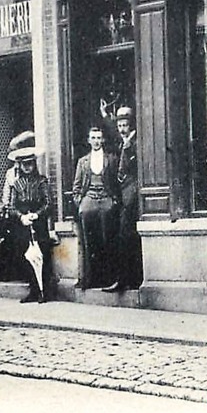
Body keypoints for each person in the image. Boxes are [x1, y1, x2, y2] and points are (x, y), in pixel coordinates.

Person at [4, 131, 53, 303]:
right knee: (25, 255)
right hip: (23, 223)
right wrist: (20, 217)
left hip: (38, 223)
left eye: (30, 164)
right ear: (20, 165)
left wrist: (37, 215)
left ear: (34, 164)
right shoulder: (16, 184)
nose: (27, 167)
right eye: (24, 165)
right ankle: (33, 289)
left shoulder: (42, 181)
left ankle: (44, 291)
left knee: (43, 255)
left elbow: (48, 203)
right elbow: (11, 206)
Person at [72, 126, 119, 290]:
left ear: (103, 140)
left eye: (99, 138)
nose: (97, 141)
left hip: (106, 198)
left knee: (108, 239)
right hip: (89, 200)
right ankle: (91, 279)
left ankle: (108, 278)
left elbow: (116, 181)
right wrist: (80, 202)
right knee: (89, 241)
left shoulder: (111, 159)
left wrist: (114, 201)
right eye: (93, 138)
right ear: (89, 140)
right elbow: (76, 186)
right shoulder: (82, 161)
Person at [104, 106, 143, 293]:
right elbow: (112, 133)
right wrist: (105, 116)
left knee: (126, 237)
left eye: (125, 125)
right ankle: (125, 279)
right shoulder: (123, 141)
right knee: (122, 236)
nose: (121, 129)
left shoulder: (134, 143)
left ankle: (127, 280)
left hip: (131, 194)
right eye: (119, 125)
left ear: (131, 125)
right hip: (122, 194)